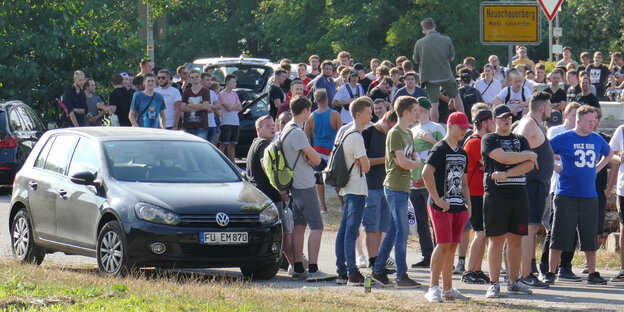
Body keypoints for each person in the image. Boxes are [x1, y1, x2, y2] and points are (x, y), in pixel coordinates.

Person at [547, 106, 613, 285]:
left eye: (594, 120)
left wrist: (597, 169)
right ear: (578, 121)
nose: (593, 124)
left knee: (589, 236)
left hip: (589, 195)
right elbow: (545, 152)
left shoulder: (597, 138)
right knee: (559, 235)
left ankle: (592, 272)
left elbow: (609, 154)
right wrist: (557, 167)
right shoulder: (563, 138)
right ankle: (551, 272)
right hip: (566, 194)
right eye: (589, 121)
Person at [481, 104, 538, 298]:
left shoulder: (520, 140)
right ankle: (494, 283)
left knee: (516, 240)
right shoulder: (489, 139)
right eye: (502, 117)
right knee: (496, 241)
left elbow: (530, 165)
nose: (507, 120)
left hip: (518, 195)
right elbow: (502, 157)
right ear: (494, 120)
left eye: (509, 117)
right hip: (496, 196)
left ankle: (514, 281)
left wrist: (506, 174)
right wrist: (526, 156)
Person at [370, 96, 422, 289]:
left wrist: (414, 163)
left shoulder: (408, 133)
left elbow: (413, 157)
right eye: (415, 109)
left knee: (393, 230)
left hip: (404, 186)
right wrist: (416, 164)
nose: (418, 113)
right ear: (406, 112)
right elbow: (403, 161)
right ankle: (402, 275)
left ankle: (378, 270)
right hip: (394, 187)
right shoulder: (395, 134)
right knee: (402, 231)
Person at [283, 96, 334, 282]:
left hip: (294, 185)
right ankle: (313, 268)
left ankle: (297, 267)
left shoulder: (286, 129)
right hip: (305, 184)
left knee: (299, 226)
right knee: (317, 226)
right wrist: (319, 161)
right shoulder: (297, 132)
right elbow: (314, 158)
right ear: (305, 111)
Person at [422, 112, 472, 302]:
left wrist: (469, 205)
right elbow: (426, 173)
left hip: (458, 206)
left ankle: (448, 288)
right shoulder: (440, 148)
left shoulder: (462, 152)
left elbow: (465, 183)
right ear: (450, 125)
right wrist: (437, 198)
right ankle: (433, 287)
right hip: (440, 206)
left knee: (452, 246)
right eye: (461, 127)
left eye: (466, 127)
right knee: (442, 244)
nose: (464, 131)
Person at [512, 92, 554, 289]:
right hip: (531, 184)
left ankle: (526, 270)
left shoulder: (533, 123)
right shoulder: (529, 123)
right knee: (529, 230)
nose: (552, 109)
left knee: (530, 229)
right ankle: (526, 274)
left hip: (536, 184)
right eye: (550, 105)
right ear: (541, 108)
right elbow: (517, 148)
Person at [539, 102, 582, 282]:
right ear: (566, 115)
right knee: (555, 228)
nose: (576, 120)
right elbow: (549, 152)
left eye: (578, 117)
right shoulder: (556, 131)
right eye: (573, 116)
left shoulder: (584, 135)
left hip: (577, 187)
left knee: (572, 229)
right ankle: (545, 266)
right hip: (558, 187)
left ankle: (565, 266)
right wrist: (569, 155)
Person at [247, 115, 295, 276]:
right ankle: (294, 266)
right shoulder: (264, 144)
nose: (272, 127)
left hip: (259, 196)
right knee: (286, 231)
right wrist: (280, 190)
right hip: (271, 196)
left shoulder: (254, 143)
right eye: (267, 126)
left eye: (272, 125)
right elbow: (266, 166)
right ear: (258, 130)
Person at [334, 97, 372, 286]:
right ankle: (352, 273)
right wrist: (364, 161)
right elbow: (366, 167)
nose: (371, 115)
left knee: (344, 231)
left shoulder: (346, 133)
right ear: (358, 114)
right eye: (368, 112)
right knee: (351, 232)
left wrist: (363, 161)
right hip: (356, 189)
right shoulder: (356, 136)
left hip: (347, 188)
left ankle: (341, 271)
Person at [461, 108, 495, 284]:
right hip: (474, 194)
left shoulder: (482, 141)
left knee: (484, 233)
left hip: (481, 193)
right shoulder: (475, 142)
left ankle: (477, 269)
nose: (494, 124)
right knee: (480, 233)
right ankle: (469, 271)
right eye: (492, 121)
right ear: (484, 123)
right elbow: (492, 163)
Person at [409, 97, 444, 268]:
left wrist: (431, 140)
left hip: (432, 182)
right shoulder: (412, 130)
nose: (414, 112)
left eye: (415, 109)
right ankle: (427, 256)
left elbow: (447, 150)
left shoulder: (437, 128)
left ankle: (441, 254)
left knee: (435, 220)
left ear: (420, 109)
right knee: (421, 220)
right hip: (415, 181)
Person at [362, 110, 397, 270]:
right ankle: (372, 259)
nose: (390, 132)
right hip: (370, 186)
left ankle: (378, 260)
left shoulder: (391, 134)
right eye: (390, 128)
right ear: (385, 120)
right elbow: (363, 161)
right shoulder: (368, 133)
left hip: (386, 186)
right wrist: (386, 159)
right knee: (371, 226)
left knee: (381, 228)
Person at [413, 18, 464, 122]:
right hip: (446, 75)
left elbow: (416, 61)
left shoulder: (419, 43)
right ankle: (463, 121)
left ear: (424, 28)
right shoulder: (446, 39)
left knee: (434, 105)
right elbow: (452, 58)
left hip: (430, 78)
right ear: (434, 26)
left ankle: (434, 127)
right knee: (456, 98)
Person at [304, 89, 341, 214]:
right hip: (332, 152)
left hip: (317, 151)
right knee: (336, 180)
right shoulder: (335, 114)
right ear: (327, 99)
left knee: (319, 181)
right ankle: (342, 205)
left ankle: (323, 206)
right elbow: (341, 134)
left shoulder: (311, 116)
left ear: (315, 101)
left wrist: (310, 149)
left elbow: (306, 135)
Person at [608, 122, 624, 283]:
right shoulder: (622, 130)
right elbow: (609, 153)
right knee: (623, 227)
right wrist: (620, 157)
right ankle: (623, 269)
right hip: (623, 188)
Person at [180, 69, 212, 140]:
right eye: (192, 77)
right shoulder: (186, 92)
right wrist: (200, 106)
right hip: (188, 126)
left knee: (200, 148)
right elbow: (182, 107)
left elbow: (206, 106)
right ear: (190, 79)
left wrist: (190, 105)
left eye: (197, 76)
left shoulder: (205, 91)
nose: (195, 79)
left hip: (201, 126)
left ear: (200, 78)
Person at [218, 74, 242, 162]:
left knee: (233, 144)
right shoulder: (222, 94)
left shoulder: (235, 94)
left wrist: (233, 106)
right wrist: (235, 106)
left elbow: (240, 107)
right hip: (226, 122)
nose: (235, 83)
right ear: (228, 83)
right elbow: (228, 108)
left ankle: (233, 163)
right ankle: (219, 161)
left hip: (235, 121)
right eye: (234, 82)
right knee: (224, 143)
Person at [201, 72, 221, 143]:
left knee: (211, 147)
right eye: (207, 80)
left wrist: (209, 107)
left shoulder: (212, 92)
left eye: (210, 80)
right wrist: (210, 108)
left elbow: (218, 106)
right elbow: (203, 108)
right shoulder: (198, 92)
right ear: (201, 80)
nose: (210, 82)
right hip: (202, 125)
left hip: (212, 124)